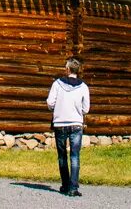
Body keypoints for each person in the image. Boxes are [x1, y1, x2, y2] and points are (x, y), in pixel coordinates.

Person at [46, 57, 90, 197]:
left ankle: (65, 185)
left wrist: (57, 108)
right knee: (75, 156)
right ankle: (73, 187)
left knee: (62, 156)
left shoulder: (57, 84)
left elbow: (50, 103)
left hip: (60, 123)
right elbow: (86, 109)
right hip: (76, 123)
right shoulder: (83, 87)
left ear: (67, 69)